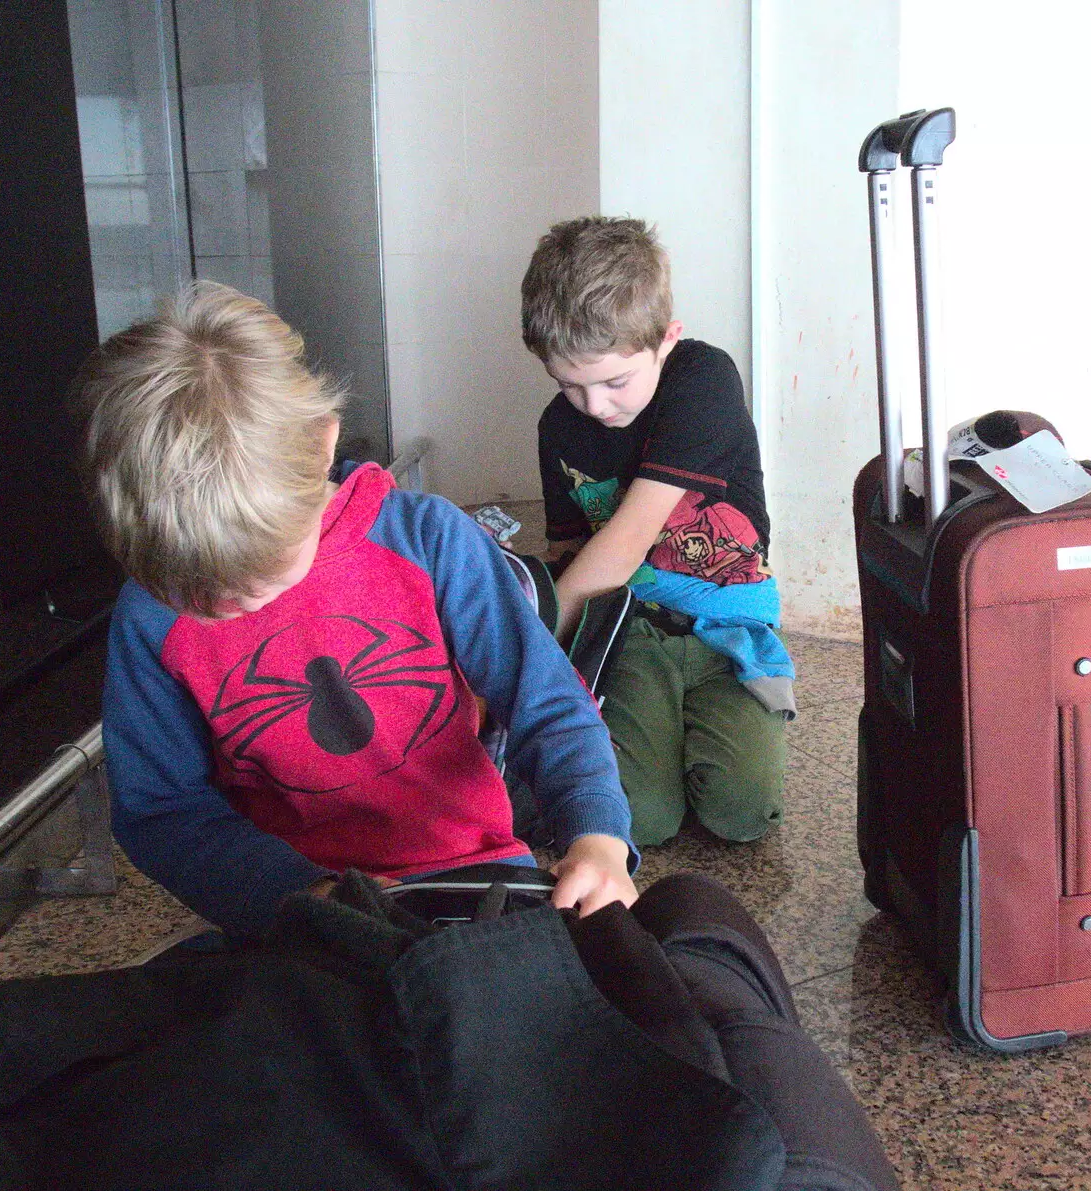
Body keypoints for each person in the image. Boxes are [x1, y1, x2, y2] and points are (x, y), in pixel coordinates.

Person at [80, 282, 636, 938]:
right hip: (290, 903)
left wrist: (598, 836)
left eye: (260, 570)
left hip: (468, 870)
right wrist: (301, 891)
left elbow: (548, 702)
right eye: (198, 590)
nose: (233, 602)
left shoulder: (427, 540)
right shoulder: (151, 614)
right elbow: (163, 809)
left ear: (322, 445)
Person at [521, 216, 793, 848]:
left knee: (741, 813)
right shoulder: (557, 428)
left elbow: (625, 541)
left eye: (615, 381)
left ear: (665, 340)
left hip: (729, 635)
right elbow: (573, 556)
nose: (594, 406)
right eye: (569, 384)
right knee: (643, 820)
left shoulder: (703, 379)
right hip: (631, 634)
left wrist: (518, 658)